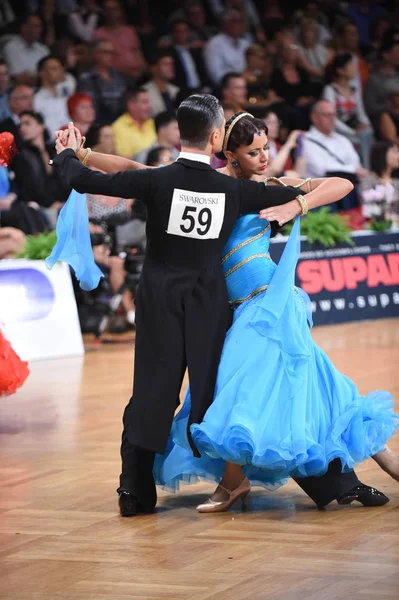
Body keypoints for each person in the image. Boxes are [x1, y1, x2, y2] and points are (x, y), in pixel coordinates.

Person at [54, 94, 330, 517]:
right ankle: (324, 480)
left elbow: (87, 180)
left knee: (152, 390)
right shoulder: (233, 189)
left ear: (180, 133)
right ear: (217, 136)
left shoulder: (159, 180)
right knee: (222, 394)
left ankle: (135, 490)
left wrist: (69, 154)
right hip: (208, 303)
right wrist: (298, 202)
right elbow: (323, 188)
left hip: (159, 300)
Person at [150, 113, 398, 512]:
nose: (265, 157)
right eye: (254, 152)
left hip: (269, 301)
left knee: (243, 388)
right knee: (317, 385)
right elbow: (136, 171)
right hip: (237, 308)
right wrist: (87, 156)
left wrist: (295, 206)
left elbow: (343, 184)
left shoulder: (272, 188)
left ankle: (232, 485)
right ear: (229, 154)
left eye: (266, 148)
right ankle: (384, 466)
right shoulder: (208, 186)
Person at [322, 54, 373, 169]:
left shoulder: (354, 90)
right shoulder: (330, 90)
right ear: (340, 70)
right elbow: (332, 118)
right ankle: (365, 169)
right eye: (350, 66)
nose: (354, 69)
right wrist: (352, 132)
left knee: (368, 132)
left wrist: (366, 125)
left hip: (353, 128)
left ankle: (366, 168)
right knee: (361, 137)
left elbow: (361, 113)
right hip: (338, 130)